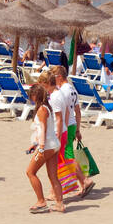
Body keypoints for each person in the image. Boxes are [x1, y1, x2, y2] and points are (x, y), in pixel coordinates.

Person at [47, 65, 92, 199]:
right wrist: (77, 129)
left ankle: (84, 180)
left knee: (66, 157)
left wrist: (62, 131)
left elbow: (65, 112)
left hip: (66, 126)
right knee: (65, 157)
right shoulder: (72, 89)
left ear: (59, 77)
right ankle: (81, 182)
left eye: (53, 77)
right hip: (71, 126)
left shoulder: (63, 91)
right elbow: (77, 111)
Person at [25, 82, 64, 214]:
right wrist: (35, 144)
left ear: (36, 95)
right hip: (53, 145)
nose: (31, 98)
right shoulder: (47, 108)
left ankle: (41, 202)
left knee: (30, 172)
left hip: (46, 146)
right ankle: (60, 204)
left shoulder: (42, 109)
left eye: (32, 95)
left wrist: (40, 147)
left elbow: (43, 129)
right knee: (53, 175)